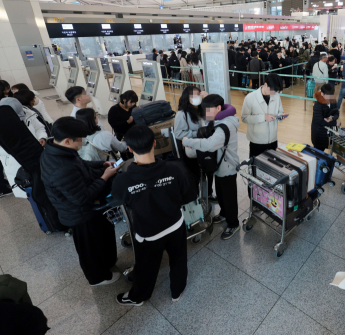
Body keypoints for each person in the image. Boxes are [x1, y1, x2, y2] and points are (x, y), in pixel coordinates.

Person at [111, 124, 194, 306]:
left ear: (130, 149)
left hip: (148, 233)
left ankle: (138, 297)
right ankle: (177, 291)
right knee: (179, 260)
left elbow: (118, 199)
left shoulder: (123, 180)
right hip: (175, 224)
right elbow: (187, 194)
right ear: (154, 144)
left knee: (146, 267)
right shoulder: (175, 169)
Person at [40, 116, 120, 286]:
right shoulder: (61, 168)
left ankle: (107, 263)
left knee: (100, 238)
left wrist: (102, 164)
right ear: (68, 140)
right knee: (89, 248)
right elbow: (82, 198)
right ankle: (98, 278)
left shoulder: (58, 149)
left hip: (85, 209)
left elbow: (81, 164)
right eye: (81, 140)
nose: (83, 143)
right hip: (79, 213)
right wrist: (104, 178)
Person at [182, 94, 240, 240]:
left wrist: (190, 141)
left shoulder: (225, 125)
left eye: (208, 110)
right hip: (219, 165)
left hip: (227, 167)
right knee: (221, 193)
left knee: (229, 197)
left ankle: (233, 223)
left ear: (219, 108)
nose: (206, 113)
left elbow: (209, 144)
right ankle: (224, 214)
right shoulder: (218, 119)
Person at [0, 97, 47, 198]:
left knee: (46, 185)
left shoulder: (28, 113)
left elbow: (39, 128)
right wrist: (11, 149)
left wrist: (42, 137)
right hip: (16, 163)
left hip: (37, 155)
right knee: (32, 192)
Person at [241, 73, 286, 157]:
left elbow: (280, 111)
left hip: (273, 140)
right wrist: (263, 117)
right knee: (256, 167)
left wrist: (281, 116)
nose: (273, 93)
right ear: (265, 85)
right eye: (272, 90)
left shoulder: (276, 96)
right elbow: (244, 118)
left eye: (275, 91)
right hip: (257, 141)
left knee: (272, 167)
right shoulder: (250, 98)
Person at [311, 84, 340, 151]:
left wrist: (332, 118)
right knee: (318, 151)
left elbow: (336, 113)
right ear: (322, 94)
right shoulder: (318, 105)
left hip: (328, 133)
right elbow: (320, 121)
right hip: (319, 133)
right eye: (327, 95)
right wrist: (334, 123)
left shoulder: (333, 101)